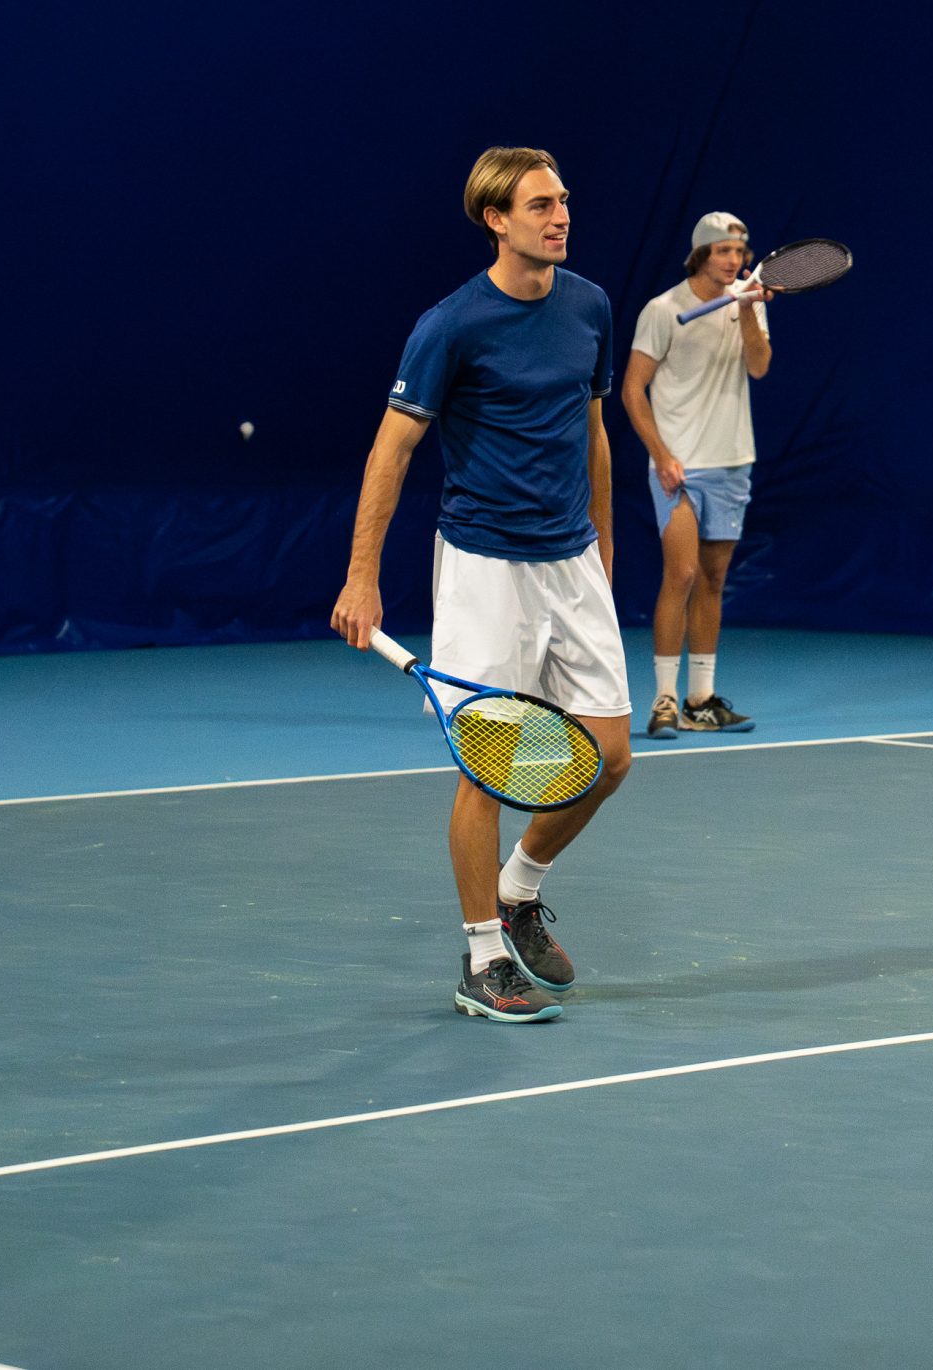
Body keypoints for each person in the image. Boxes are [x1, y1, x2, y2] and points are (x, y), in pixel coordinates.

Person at [330, 147, 632, 1024]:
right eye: (541, 204)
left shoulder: (589, 306)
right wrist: (361, 577)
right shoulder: (451, 325)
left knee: (609, 757)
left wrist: (605, 550)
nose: (561, 215)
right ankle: (482, 958)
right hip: (484, 570)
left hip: (572, 562)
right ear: (496, 219)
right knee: (490, 773)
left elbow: (594, 433)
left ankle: (519, 888)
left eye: (564, 200)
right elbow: (391, 451)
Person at [620, 211, 775, 740]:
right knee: (681, 575)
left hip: (732, 462)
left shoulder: (748, 303)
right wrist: (661, 454)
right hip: (678, 467)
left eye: (739, 252)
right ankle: (664, 699)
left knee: (712, 581)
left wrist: (748, 309)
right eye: (723, 251)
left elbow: (759, 366)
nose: (733, 260)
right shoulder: (662, 310)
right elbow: (632, 389)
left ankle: (700, 700)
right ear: (701, 255)